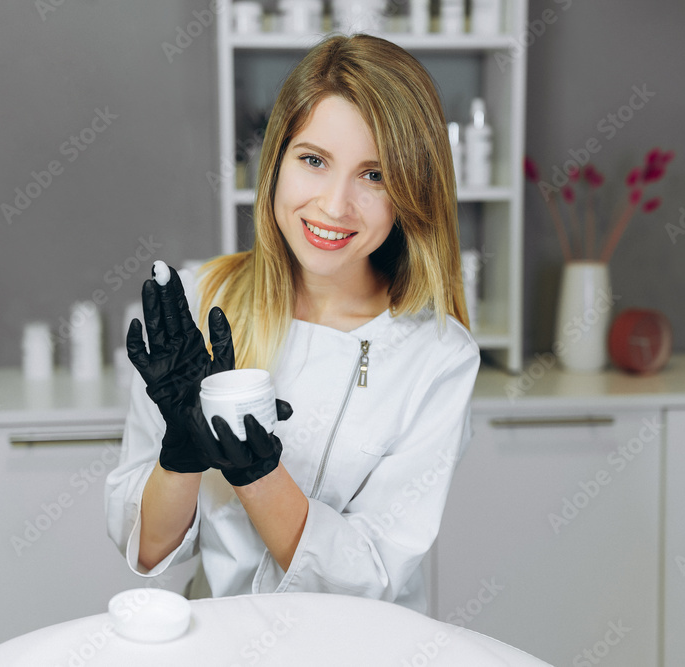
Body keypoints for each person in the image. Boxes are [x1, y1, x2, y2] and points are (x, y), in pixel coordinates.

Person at [105, 33, 481, 613]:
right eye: (313, 160)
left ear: (412, 190)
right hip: (222, 643)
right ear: (275, 161)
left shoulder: (437, 354)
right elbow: (149, 550)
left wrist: (256, 474)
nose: (335, 205)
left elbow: (371, 576)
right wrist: (180, 453)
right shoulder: (196, 302)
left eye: (374, 175)